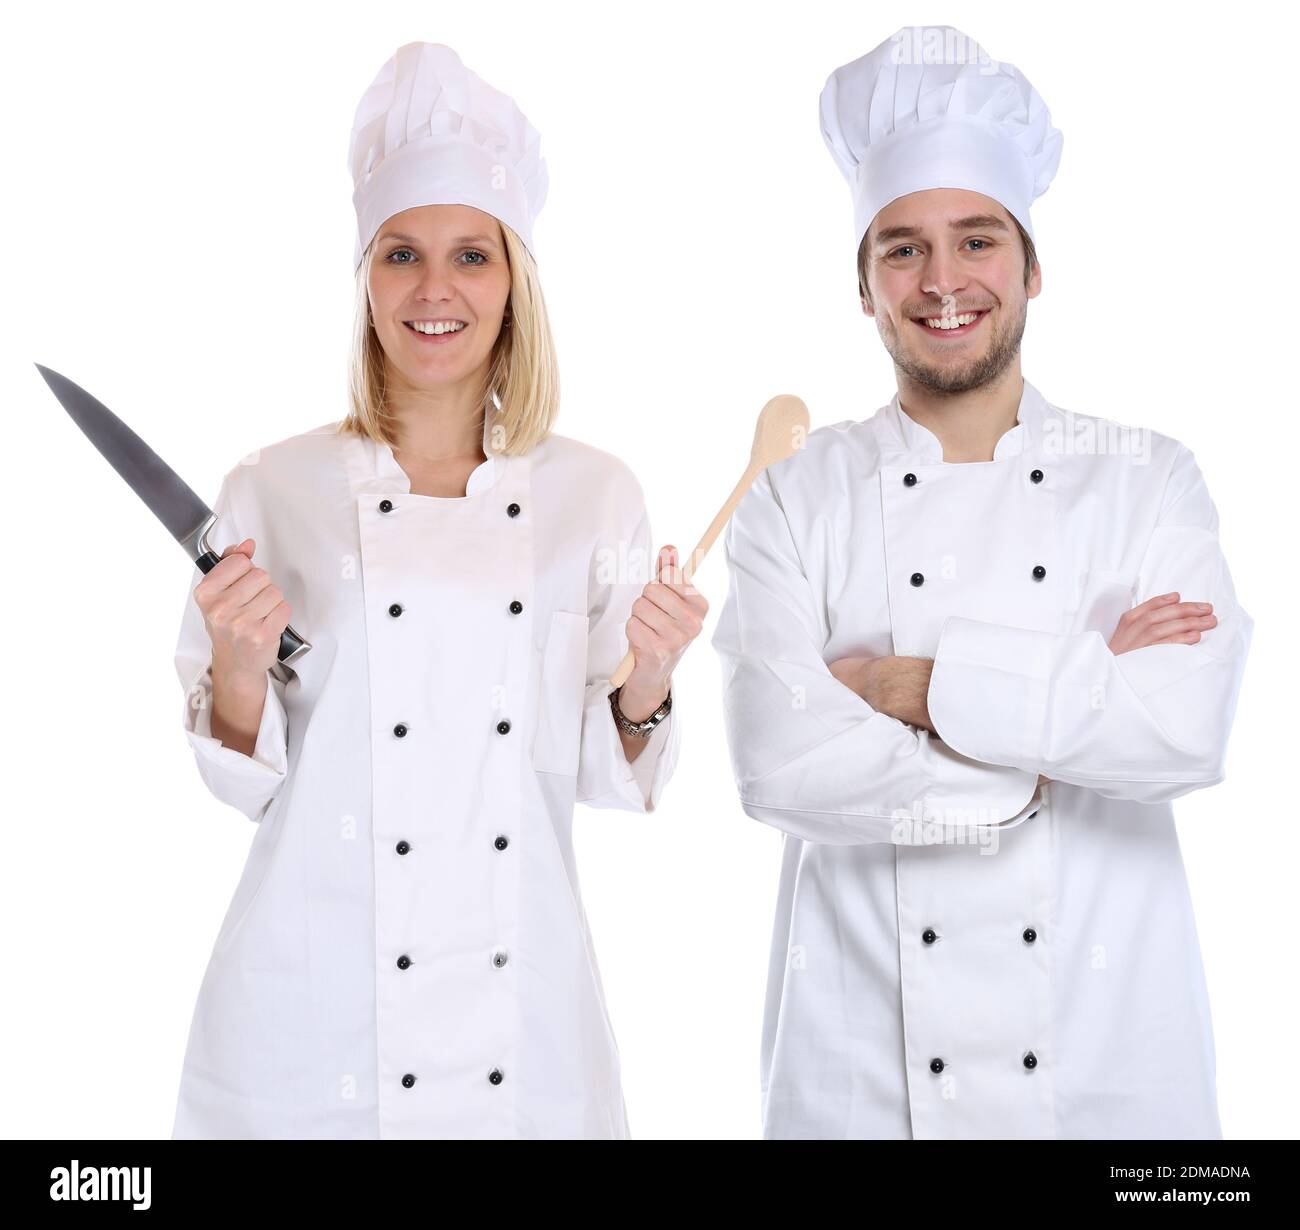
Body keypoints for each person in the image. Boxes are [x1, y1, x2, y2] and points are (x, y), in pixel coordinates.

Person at [711, 25, 1253, 1139]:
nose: (943, 281)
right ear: (861, 286)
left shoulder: (1147, 481)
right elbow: (776, 763)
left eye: (977, 240)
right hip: (856, 1086)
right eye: (901, 248)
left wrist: (904, 689)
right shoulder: (791, 500)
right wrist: (1059, 736)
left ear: (1033, 266)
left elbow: (1185, 735)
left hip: (1116, 1087)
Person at [172, 42, 706, 1139]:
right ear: (364, 277)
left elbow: (611, 777)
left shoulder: (594, 495)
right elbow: (242, 785)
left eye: (471, 255)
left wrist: (646, 679)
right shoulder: (275, 486)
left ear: (514, 281)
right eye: (401, 254)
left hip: (525, 1034)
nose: (434, 291)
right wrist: (235, 663)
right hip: (307, 1019)